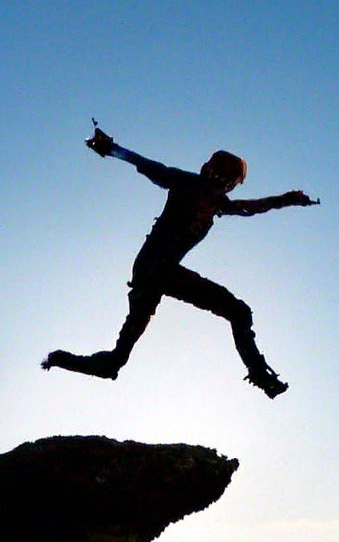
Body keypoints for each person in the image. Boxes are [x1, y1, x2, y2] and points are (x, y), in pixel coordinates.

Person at [42, 123, 318, 398]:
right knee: (238, 312)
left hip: (152, 272)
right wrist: (112, 148)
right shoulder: (188, 183)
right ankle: (260, 374)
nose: (226, 187)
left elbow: (249, 207)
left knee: (119, 357)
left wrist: (286, 200)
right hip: (157, 269)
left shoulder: (216, 202)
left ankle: (60, 359)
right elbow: (147, 165)